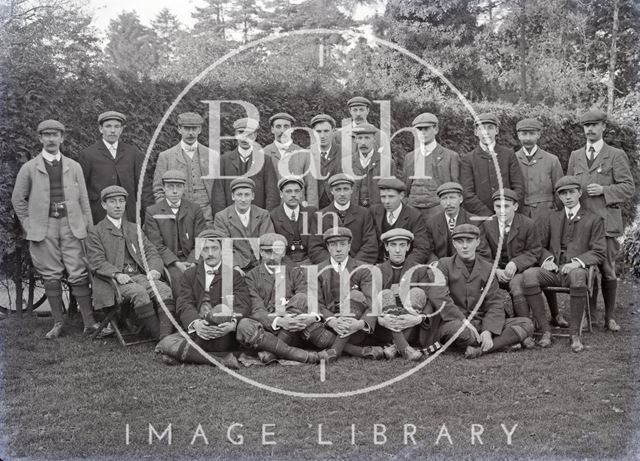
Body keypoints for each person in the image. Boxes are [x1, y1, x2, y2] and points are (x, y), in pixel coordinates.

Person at [12, 120, 106, 338]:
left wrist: (88, 228)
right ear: (40, 139)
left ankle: (89, 322)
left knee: (79, 270)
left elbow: (84, 199)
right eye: (46, 135)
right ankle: (57, 323)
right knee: (50, 272)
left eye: (55, 135)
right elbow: (18, 199)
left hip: (71, 225)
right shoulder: (29, 168)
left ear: (62, 138)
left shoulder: (74, 167)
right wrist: (29, 224)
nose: (51, 139)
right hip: (44, 227)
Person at [567, 109, 635, 331]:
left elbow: (628, 188)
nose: (590, 129)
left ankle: (610, 317)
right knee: (584, 269)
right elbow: (569, 186)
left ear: (604, 127)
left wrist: (605, 189)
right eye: (586, 126)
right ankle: (589, 316)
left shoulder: (615, 155)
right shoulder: (575, 156)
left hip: (606, 223)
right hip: (582, 224)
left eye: (595, 125)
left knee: (606, 269)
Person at [522, 176, 606, 352]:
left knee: (577, 276)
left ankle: (574, 333)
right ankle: (545, 331)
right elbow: (539, 246)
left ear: (579, 193)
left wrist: (576, 262)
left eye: (571, 192)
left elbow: (599, 251)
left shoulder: (593, 219)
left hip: (576, 271)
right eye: (563, 193)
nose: (568, 197)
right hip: (554, 271)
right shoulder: (551, 217)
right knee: (529, 275)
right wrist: (547, 260)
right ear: (559, 197)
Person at [87, 186, 174, 340]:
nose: (118, 205)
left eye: (121, 201)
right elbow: (96, 261)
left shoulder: (134, 228)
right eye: (112, 202)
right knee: (139, 293)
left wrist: (154, 269)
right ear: (104, 205)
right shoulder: (96, 231)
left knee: (164, 289)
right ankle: (161, 339)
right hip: (112, 281)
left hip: (139, 276)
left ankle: (164, 336)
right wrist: (116, 274)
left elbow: (151, 251)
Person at [436, 224, 534, 358]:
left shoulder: (488, 268)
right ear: (454, 243)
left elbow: (494, 302)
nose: (465, 246)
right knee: (458, 331)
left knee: (527, 324)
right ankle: (504, 342)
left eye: (469, 241)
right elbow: (441, 297)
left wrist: (488, 330)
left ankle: (479, 349)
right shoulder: (444, 265)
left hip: (481, 322)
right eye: (460, 241)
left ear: (477, 242)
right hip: (456, 322)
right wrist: (464, 322)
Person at [159, 230, 252, 368]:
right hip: (199, 331)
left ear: (222, 251)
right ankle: (221, 360)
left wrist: (232, 324)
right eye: (205, 249)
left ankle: (186, 354)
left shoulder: (234, 275)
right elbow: (184, 303)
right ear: (200, 252)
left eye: (214, 248)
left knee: (221, 310)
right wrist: (196, 324)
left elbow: (243, 304)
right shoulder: (190, 274)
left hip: (222, 331)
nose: (210, 253)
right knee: (165, 343)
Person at [236, 233, 324, 364]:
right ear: (260, 252)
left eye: (276, 252)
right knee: (244, 325)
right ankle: (302, 355)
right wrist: (280, 321)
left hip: (294, 328)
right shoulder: (251, 276)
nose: (272, 257)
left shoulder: (294, 271)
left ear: (283, 253)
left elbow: (306, 298)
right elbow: (257, 310)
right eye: (267, 252)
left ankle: (271, 352)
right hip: (266, 331)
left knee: (301, 298)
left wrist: (310, 317)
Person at [307, 227, 384, 362]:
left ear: (349, 246)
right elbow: (316, 303)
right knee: (308, 329)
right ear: (328, 247)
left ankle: (335, 350)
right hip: (329, 326)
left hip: (355, 327)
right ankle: (360, 351)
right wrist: (332, 321)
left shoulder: (363, 269)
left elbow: (372, 302)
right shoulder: (316, 271)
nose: (338, 249)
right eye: (333, 244)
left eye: (342, 244)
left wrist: (360, 324)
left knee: (355, 296)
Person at [374, 229, 454, 360]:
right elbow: (371, 300)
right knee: (386, 294)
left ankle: (395, 346)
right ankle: (405, 348)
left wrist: (419, 318)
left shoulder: (420, 270)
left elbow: (428, 300)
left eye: (402, 245)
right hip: (386, 326)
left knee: (418, 292)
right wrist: (380, 319)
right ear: (386, 247)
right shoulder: (377, 270)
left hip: (411, 324)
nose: (398, 250)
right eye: (393, 245)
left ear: (408, 247)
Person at [79, 111, 154, 223]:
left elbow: (143, 186)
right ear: (101, 129)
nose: (113, 130)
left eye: (117, 126)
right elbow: (82, 189)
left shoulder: (133, 153)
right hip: (99, 215)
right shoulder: (88, 154)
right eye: (108, 126)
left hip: (128, 214)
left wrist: (150, 214)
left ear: (122, 129)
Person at [481, 189, 542, 328]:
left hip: (520, 272)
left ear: (515, 206)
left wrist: (516, 263)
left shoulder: (528, 224)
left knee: (516, 285)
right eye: (498, 207)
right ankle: (498, 323)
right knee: (484, 285)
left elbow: (535, 251)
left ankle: (525, 327)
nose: (502, 211)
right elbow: (482, 253)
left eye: (506, 206)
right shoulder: (487, 225)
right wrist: (495, 270)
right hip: (495, 272)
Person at [144, 170, 206, 299]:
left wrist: (192, 262)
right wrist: (177, 263)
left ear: (184, 188)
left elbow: (201, 239)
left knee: (206, 279)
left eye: (178, 186)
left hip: (193, 258)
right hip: (170, 262)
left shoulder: (194, 209)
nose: (174, 191)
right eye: (170, 186)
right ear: (164, 188)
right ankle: (185, 314)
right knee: (178, 281)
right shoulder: (152, 211)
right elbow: (156, 245)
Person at [152, 112, 224, 224]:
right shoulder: (166, 156)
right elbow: (158, 190)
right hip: (177, 219)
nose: (191, 133)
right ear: (179, 129)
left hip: (206, 218)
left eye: (194, 129)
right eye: (186, 128)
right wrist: (168, 215)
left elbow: (219, 192)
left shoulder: (212, 156)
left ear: (199, 129)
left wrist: (218, 218)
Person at [460, 113, 525, 216]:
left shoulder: (508, 155)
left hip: (507, 215)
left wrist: (506, 209)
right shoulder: (468, 159)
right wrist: (488, 215)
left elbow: (518, 187)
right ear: (476, 132)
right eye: (481, 129)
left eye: (490, 128)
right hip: (480, 218)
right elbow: (467, 193)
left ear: (496, 130)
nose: (486, 132)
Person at [402, 112, 461, 220]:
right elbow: (406, 187)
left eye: (426, 129)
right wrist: (406, 204)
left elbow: (456, 188)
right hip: (412, 210)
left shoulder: (450, 156)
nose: (423, 132)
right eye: (419, 129)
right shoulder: (409, 157)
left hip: (439, 210)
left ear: (435, 129)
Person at [309, 173, 378, 264]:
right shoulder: (320, 216)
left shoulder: (364, 214)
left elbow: (370, 245)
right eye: (338, 190)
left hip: (357, 268)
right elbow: (315, 248)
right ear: (331, 191)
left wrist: (353, 265)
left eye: (346, 189)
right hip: (330, 269)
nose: (342, 194)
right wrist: (333, 265)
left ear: (352, 190)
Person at [212, 177, 275, 274]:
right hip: (237, 266)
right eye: (239, 195)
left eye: (247, 195)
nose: (243, 199)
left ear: (253, 196)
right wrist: (234, 266)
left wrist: (263, 267)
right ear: (233, 196)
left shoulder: (263, 215)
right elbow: (224, 247)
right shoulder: (221, 217)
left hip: (260, 264)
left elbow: (268, 243)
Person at [219, 117, 280, 211]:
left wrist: (267, 217)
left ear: (255, 135)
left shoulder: (265, 160)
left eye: (249, 134)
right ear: (235, 135)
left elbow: (272, 193)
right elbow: (218, 193)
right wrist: (222, 218)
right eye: (241, 132)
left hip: (258, 218)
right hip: (230, 218)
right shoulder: (224, 160)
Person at [370, 177, 431, 264]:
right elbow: (369, 243)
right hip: (378, 264)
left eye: (391, 197)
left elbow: (422, 248)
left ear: (401, 196)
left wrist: (404, 266)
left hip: (404, 264)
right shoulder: (374, 212)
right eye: (383, 197)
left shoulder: (414, 216)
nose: (386, 201)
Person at [425, 182, 491, 262]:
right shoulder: (432, 223)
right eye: (444, 198)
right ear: (440, 201)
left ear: (461, 199)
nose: (448, 203)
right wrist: (435, 262)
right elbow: (428, 250)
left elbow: (483, 252)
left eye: (452, 198)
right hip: (440, 267)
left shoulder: (474, 222)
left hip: (465, 267)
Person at [263, 112, 318, 208]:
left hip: (298, 210)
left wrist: (311, 212)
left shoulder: (304, 154)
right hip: (272, 210)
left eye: (286, 126)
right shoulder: (263, 153)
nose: (282, 130)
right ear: (272, 129)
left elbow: (312, 188)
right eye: (278, 126)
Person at [514, 118, 563, 223]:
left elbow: (560, 191)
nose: (528, 138)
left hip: (546, 215)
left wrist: (557, 214)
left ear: (538, 135)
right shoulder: (512, 159)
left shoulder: (552, 160)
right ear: (518, 135)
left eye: (532, 133)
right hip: (519, 215)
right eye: (524, 134)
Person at [269, 176, 317, 266]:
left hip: (309, 260)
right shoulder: (273, 216)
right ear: (281, 194)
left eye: (297, 191)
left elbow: (316, 244)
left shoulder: (311, 213)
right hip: (284, 262)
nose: (293, 195)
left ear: (301, 194)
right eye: (288, 191)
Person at [348, 123, 395, 208]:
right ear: (355, 140)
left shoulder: (387, 163)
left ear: (374, 140)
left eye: (367, 138)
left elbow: (391, 192)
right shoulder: (347, 162)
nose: (363, 142)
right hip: (354, 213)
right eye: (360, 138)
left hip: (378, 213)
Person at [310, 114, 343, 210]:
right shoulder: (307, 153)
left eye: (326, 131)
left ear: (333, 131)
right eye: (318, 132)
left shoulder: (345, 154)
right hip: (315, 207)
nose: (322, 136)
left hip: (338, 206)